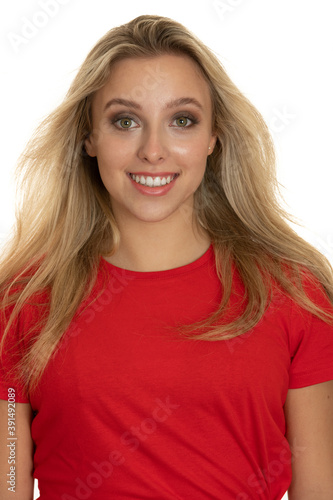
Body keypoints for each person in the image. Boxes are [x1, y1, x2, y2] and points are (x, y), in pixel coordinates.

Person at [0, 14, 332, 500]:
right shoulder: (22, 300)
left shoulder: (294, 293)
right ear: (88, 138)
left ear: (213, 137)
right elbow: (9, 474)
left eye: (182, 120)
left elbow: (319, 488)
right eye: (125, 121)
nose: (153, 150)